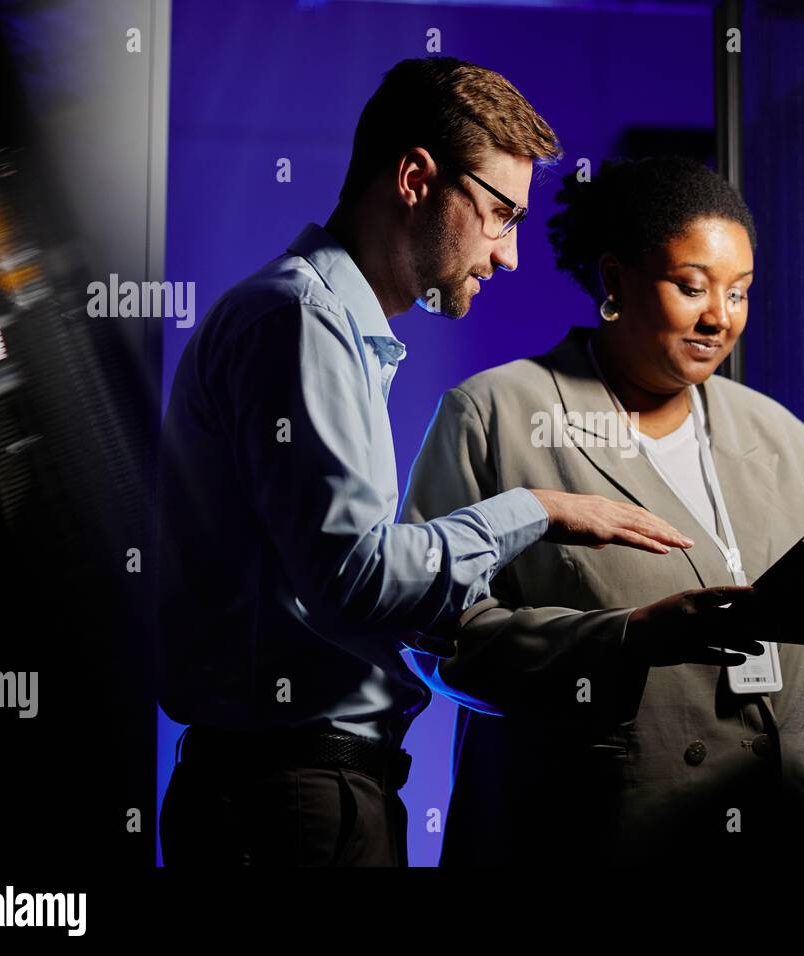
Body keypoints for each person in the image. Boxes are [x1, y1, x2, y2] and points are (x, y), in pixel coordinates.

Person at [154, 59, 699, 867]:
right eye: (500, 215)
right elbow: (355, 578)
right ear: (415, 178)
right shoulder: (300, 321)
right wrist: (540, 509)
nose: (510, 255)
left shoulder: (326, 325)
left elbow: (345, 593)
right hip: (295, 804)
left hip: (310, 794)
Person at [402, 156, 804, 866]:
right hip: (592, 838)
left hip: (774, 839)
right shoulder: (495, 415)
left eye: (740, 293)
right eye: (690, 287)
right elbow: (438, 635)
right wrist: (628, 639)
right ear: (614, 281)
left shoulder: (782, 438)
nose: (718, 319)